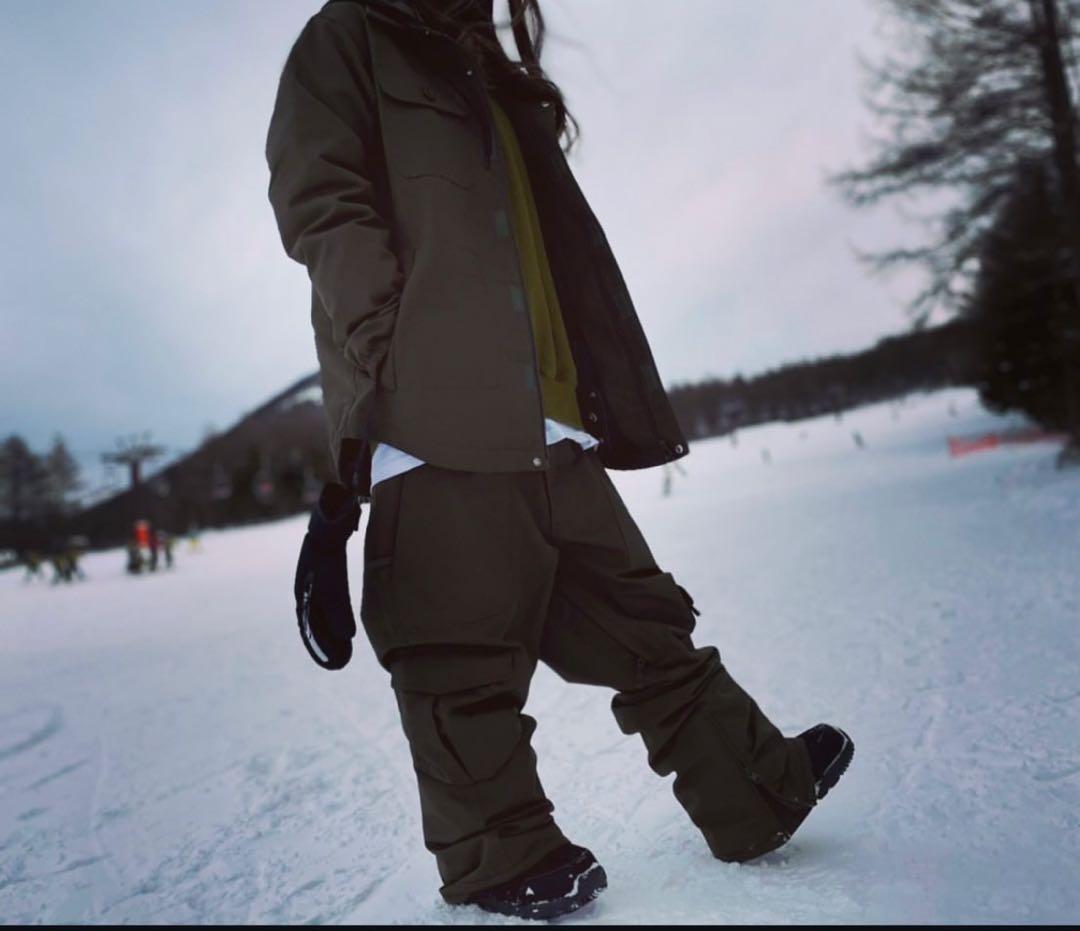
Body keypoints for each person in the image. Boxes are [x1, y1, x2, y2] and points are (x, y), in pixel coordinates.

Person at [267, 0, 853, 919]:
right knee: (458, 656)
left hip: (550, 422)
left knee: (645, 623)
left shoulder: (483, 64)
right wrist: (398, 356)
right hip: (435, 425)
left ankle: (757, 789)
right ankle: (502, 859)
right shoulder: (347, 38)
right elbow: (321, 200)